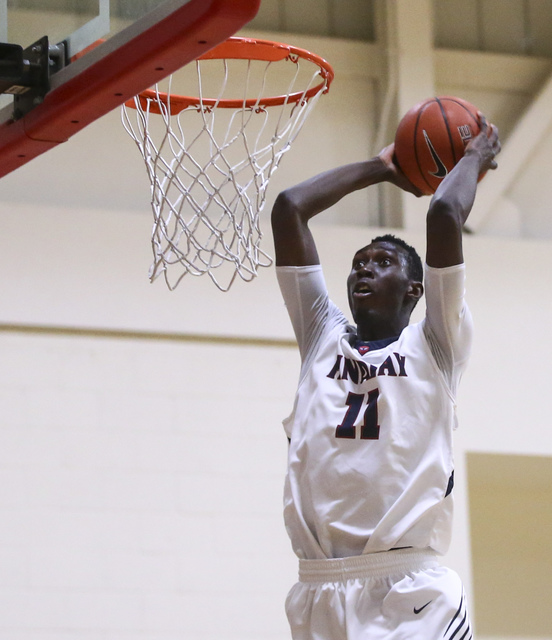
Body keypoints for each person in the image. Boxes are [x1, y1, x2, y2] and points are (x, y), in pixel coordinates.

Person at [270, 116, 500, 640]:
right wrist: (378, 168)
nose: (364, 270)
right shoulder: (321, 337)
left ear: (415, 290)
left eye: (383, 262)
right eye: (358, 263)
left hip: (408, 593)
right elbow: (289, 209)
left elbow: (443, 212)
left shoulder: (435, 343)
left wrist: (473, 157)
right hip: (319, 589)